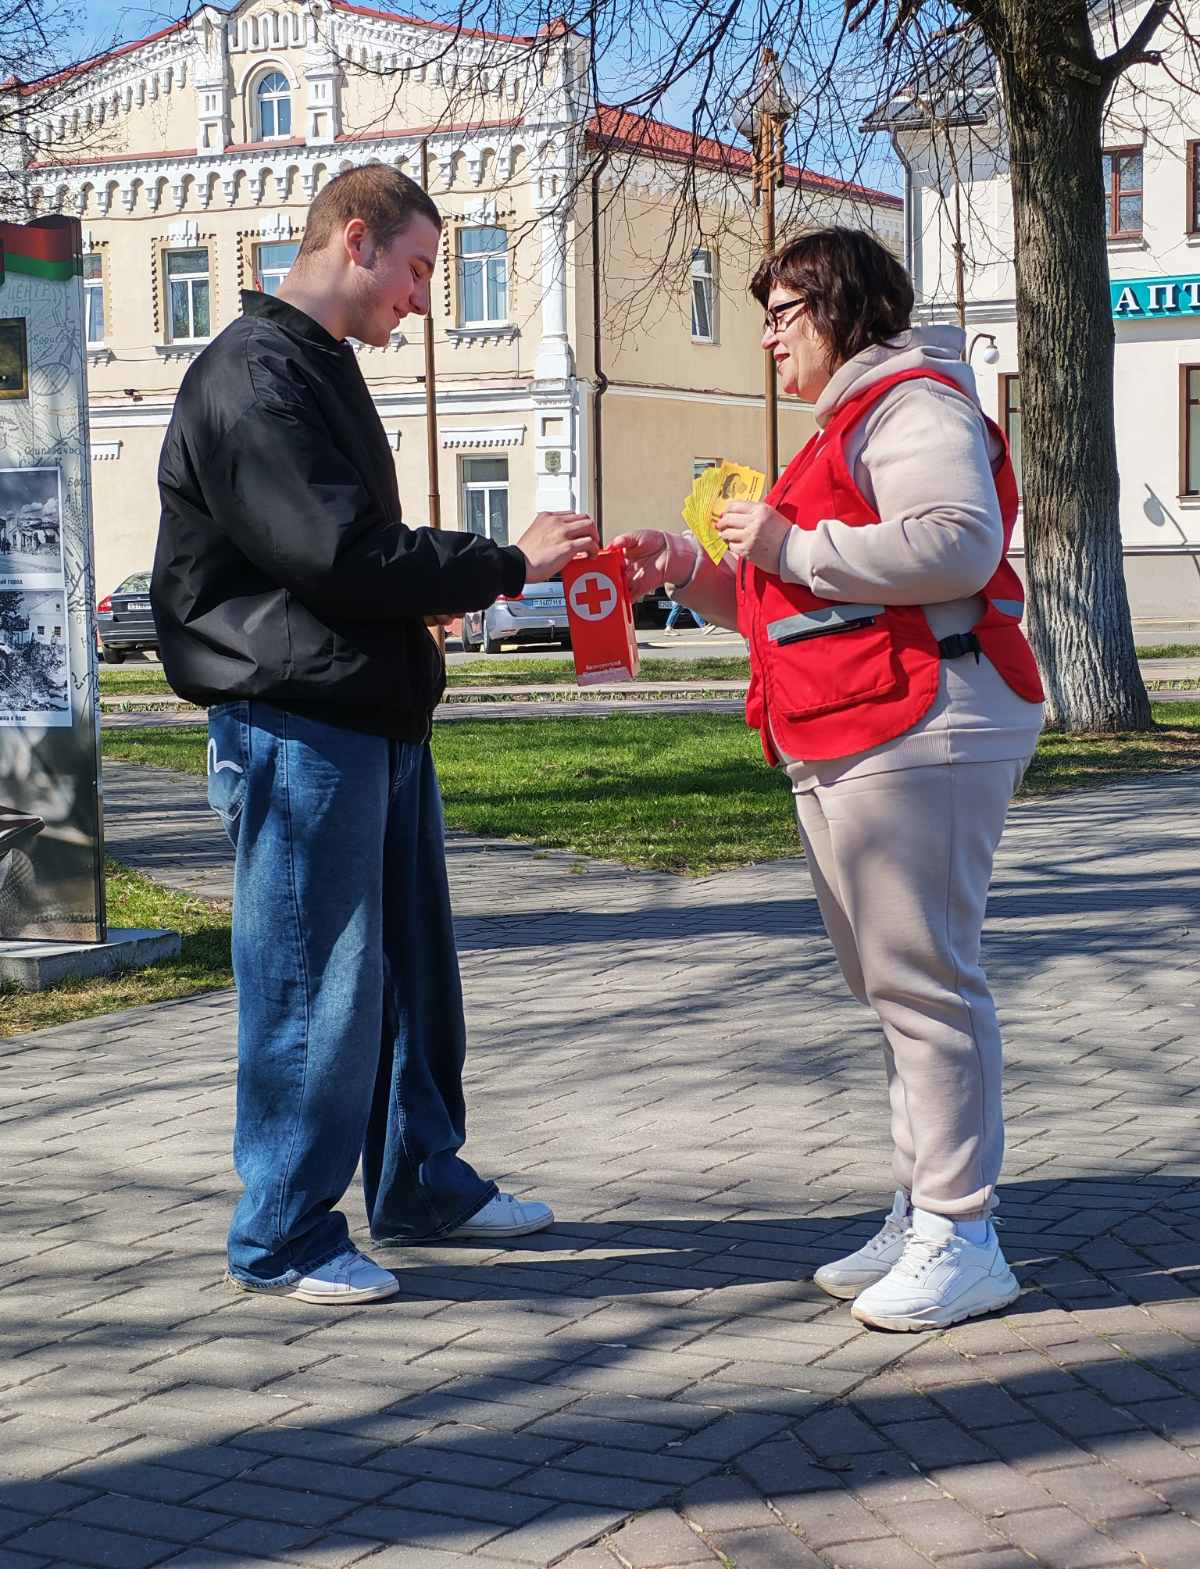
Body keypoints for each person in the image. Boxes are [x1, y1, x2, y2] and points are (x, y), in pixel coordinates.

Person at [153, 164, 598, 1306]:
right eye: (415, 268)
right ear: (356, 240)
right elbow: (337, 553)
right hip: (298, 725)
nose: (421, 297)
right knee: (315, 983)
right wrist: (506, 561)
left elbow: (340, 560)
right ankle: (284, 1233)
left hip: (366, 715)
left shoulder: (315, 367)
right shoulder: (253, 376)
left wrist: (426, 598)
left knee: (405, 973)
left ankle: (420, 1181)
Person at [616, 227, 1044, 1332]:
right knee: (894, 986)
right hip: (858, 726)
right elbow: (794, 597)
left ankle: (962, 1232)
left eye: (783, 315)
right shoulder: (846, 425)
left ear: (843, 309)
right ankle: (925, 1209)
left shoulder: (911, 405)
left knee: (925, 984)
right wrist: (692, 567)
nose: (768, 339)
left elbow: (957, 542)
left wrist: (787, 544)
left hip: (923, 721)